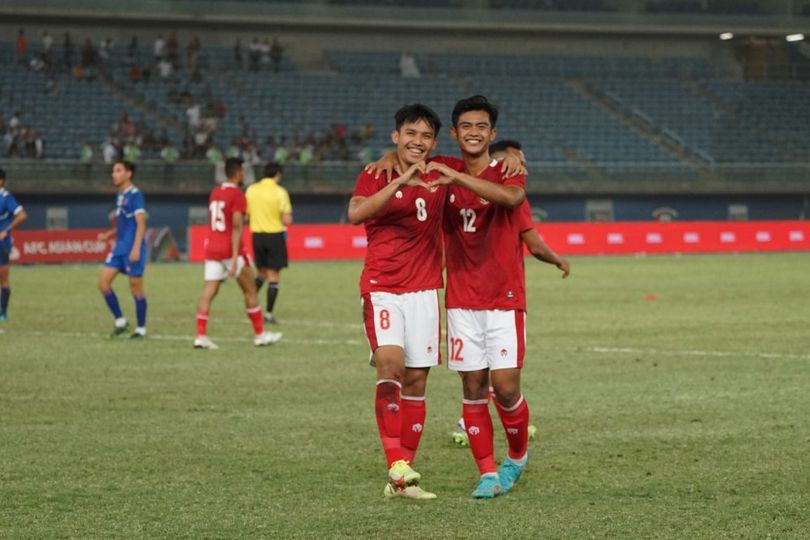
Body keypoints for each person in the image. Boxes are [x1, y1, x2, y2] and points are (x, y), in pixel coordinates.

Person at [426, 96, 530, 499]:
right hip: (461, 301)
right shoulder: (444, 166)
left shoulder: (507, 168)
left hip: (503, 298)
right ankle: (486, 472)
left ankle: (517, 456)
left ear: (493, 133)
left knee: (504, 387)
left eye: (481, 126)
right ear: (454, 133)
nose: (473, 132)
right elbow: (408, 153)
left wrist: (459, 179)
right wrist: (387, 155)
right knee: (472, 388)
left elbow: (511, 199)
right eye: (465, 126)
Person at [348, 104, 449, 500]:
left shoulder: (442, 172)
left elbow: (478, 161)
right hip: (383, 286)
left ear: (434, 143)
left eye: (425, 136)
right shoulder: (377, 173)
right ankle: (396, 463)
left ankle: (401, 477)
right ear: (396, 136)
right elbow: (356, 213)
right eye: (410, 134)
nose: (417, 142)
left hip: (424, 290)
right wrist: (401, 177)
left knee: (418, 380)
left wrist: (510, 155)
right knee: (391, 365)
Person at [450, 138, 570, 448]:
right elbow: (534, 245)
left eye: (522, 160)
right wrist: (558, 259)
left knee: (482, 373)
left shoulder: (466, 188)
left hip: (467, 295)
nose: (521, 166)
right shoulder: (509, 196)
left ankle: (471, 423)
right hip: (498, 295)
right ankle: (494, 431)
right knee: (499, 375)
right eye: (516, 160)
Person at [194, 158, 282, 349]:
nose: (244, 174)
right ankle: (260, 335)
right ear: (236, 173)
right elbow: (236, 226)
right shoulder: (237, 195)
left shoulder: (216, 192)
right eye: (242, 171)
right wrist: (234, 257)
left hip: (212, 248)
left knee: (209, 291)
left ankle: (200, 336)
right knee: (250, 290)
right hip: (229, 249)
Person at [97, 160, 148, 339]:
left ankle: (141, 329)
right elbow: (124, 224)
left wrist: (136, 249)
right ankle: (120, 321)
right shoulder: (120, 196)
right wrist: (108, 235)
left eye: (118, 171)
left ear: (128, 174)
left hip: (132, 249)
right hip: (119, 248)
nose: (113, 174)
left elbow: (141, 224)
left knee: (136, 289)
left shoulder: (136, 195)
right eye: (113, 171)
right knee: (103, 283)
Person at [245, 162, 292, 324]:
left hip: (257, 235)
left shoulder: (251, 190)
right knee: (273, 276)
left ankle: (250, 306)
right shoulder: (280, 192)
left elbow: (246, 215)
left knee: (261, 274)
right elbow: (287, 219)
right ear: (278, 174)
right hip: (274, 236)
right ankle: (268, 314)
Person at [0, 168, 28, 322]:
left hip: (1, 243)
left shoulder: (5, 197)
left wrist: (6, 230)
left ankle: (3, 313)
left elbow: (22, 215)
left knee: (3, 279)